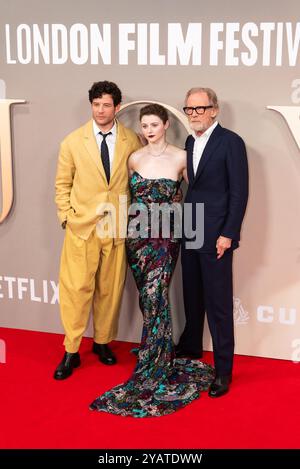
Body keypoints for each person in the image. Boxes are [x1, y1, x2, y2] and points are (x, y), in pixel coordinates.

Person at [89, 103, 214, 417]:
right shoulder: (134, 159)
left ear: (167, 124)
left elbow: (198, 194)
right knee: (148, 299)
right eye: (144, 126)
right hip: (137, 237)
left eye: (154, 125)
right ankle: (154, 347)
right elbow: (125, 197)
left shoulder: (181, 157)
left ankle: (156, 362)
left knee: (155, 294)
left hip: (166, 238)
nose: (148, 131)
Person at [54, 81, 141, 380]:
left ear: (117, 107)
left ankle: (103, 342)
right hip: (82, 227)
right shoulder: (72, 142)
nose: (100, 110)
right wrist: (66, 217)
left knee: (110, 289)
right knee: (76, 290)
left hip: (115, 227)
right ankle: (71, 350)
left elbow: (137, 180)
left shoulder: (133, 140)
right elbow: (62, 184)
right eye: (96, 104)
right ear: (91, 105)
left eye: (106, 105)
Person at [176, 87, 249, 397]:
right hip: (190, 229)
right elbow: (194, 187)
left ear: (215, 110)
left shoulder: (231, 142)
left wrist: (229, 234)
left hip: (217, 234)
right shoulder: (190, 141)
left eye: (200, 108)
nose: (194, 114)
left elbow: (239, 192)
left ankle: (223, 371)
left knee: (218, 306)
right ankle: (191, 347)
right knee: (191, 296)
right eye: (190, 109)